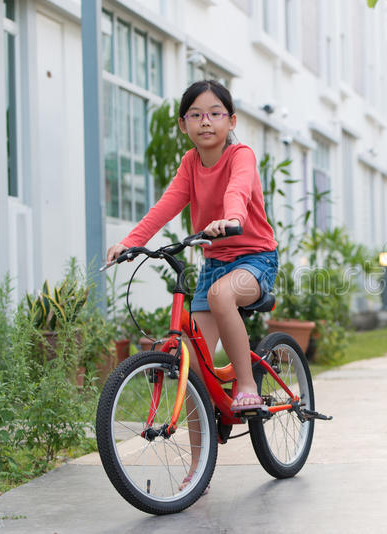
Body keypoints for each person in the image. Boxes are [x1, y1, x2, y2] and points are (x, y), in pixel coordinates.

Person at [106, 79, 278, 412]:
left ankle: (246, 386)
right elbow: (165, 206)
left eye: (215, 113)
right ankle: (198, 462)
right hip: (214, 264)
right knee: (193, 368)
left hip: (255, 259)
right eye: (196, 115)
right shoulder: (190, 164)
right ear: (183, 124)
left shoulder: (240, 155)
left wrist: (230, 219)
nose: (206, 121)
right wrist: (129, 243)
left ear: (232, 120)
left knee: (221, 295)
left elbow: (238, 190)